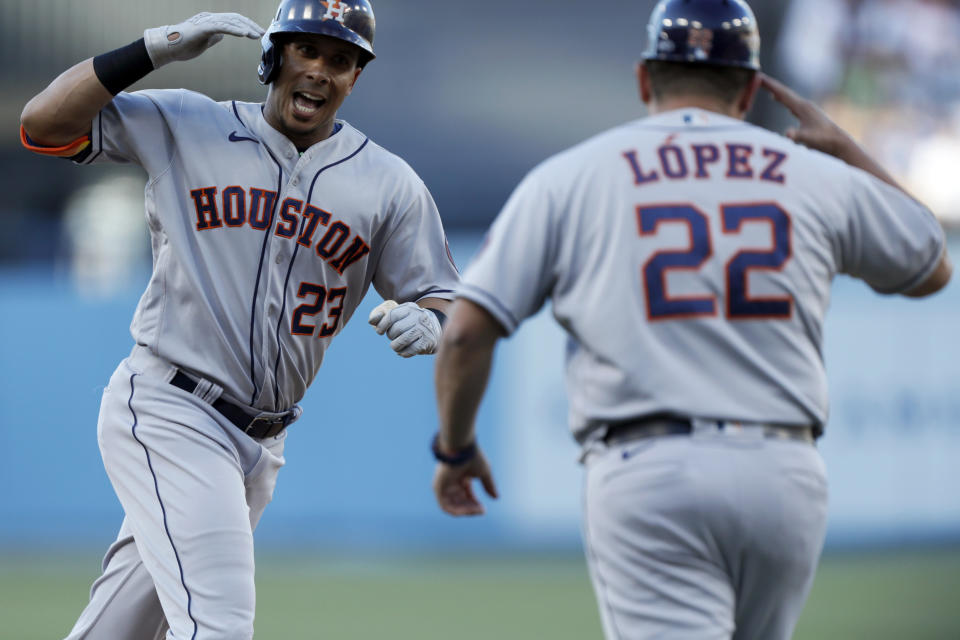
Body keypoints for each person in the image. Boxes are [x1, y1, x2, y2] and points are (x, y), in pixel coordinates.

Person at [429, 1, 952, 639]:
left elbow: (464, 330)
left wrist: (454, 447)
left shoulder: (574, 175)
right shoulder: (813, 175)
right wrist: (849, 150)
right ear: (752, 89)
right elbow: (930, 265)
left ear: (645, 78)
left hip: (650, 467)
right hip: (783, 473)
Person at [20, 2, 458, 638]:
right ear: (273, 56)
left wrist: (435, 322)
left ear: (355, 78)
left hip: (261, 444)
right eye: (306, 50)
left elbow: (446, 295)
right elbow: (43, 126)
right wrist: (152, 49)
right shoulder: (186, 122)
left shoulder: (388, 183)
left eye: (340, 60)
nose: (320, 71)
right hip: (171, 408)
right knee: (219, 625)